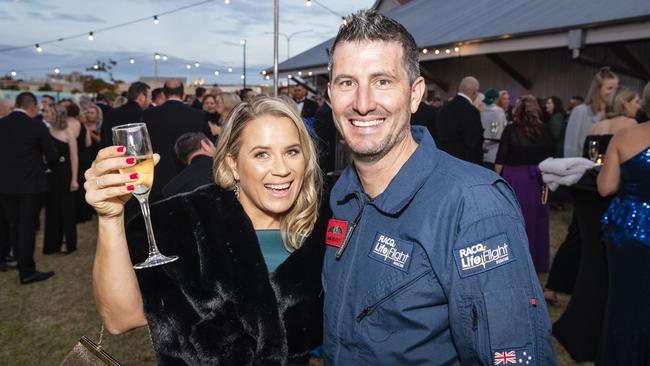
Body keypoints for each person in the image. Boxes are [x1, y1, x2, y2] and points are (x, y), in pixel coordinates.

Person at [322, 10, 555, 365]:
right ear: (330, 95)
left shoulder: (473, 206)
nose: (363, 102)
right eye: (346, 83)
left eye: (382, 81)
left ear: (415, 94)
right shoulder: (341, 195)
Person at [86, 97, 328, 365]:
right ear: (233, 164)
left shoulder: (320, 230)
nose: (282, 169)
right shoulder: (184, 221)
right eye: (262, 154)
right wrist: (110, 218)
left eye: (292, 151)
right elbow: (121, 318)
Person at [597, 122, 650, 365]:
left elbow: (605, 187)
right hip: (630, 227)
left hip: (629, 227)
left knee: (624, 302)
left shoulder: (625, 136)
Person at [0, 92, 58, 284]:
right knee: (27, 228)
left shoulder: (2, 123)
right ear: (32, 107)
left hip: (5, 186)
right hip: (30, 185)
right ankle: (27, 271)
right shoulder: (36, 125)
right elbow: (52, 154)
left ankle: (20, 263)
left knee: (14, 225)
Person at [495, 95, 555, 272]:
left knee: (514, 220)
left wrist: (495, 181)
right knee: (536, 220)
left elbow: (501, 158)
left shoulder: (511, 130)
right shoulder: (545, 130)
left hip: (516, 179)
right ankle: (535, 261)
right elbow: (551, 155)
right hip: (539, 179)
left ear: (517, 110)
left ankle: (514, 261)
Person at [142, 79, 211, 201]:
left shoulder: (149, 115)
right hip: (188, 181)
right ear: (183, 95)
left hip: (157, 180)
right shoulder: (197, 115)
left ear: (163, 94)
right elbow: (208, 144)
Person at [42, 105, 78, 254]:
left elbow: (74, 157)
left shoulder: (68, 132)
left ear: (56, 114)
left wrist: (74, 179)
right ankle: (51, 244)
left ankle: (66, 242)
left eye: (47, 112)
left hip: (65, 175)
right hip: (50, 175)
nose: (44, 114)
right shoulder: (45, 131)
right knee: (51, 210)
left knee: (66, 211)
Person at [564, 67, 618, 158]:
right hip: (583, 167)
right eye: (610, 88)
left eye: (616, 89)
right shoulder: (581, 111)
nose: (614, 92)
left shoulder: (615, 114)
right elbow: (571, 146)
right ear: (598, 89)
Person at [436, 76, 484, 164]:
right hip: (463, 163)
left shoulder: (444, 108)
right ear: (475, 93)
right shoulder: (471, 111)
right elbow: (474, 144)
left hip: (443, 160)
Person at [161, 132, 215, 198]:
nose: (216, 148)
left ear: (183, 159)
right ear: (205, 145)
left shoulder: (170, 189)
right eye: (213, 145)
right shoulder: (224, 166)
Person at [101, 82, 150, 148]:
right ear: (142, 97)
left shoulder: (112, 113)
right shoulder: (143, 114)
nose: (150, 101)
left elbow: (104, 137)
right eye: (149, 97)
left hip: (113, 154)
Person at [480, 88, 507, 167]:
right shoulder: (498, 112)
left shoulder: (480, 111)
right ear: (497, 99)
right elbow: (495, 131)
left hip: (481, 150)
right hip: (494, 152)